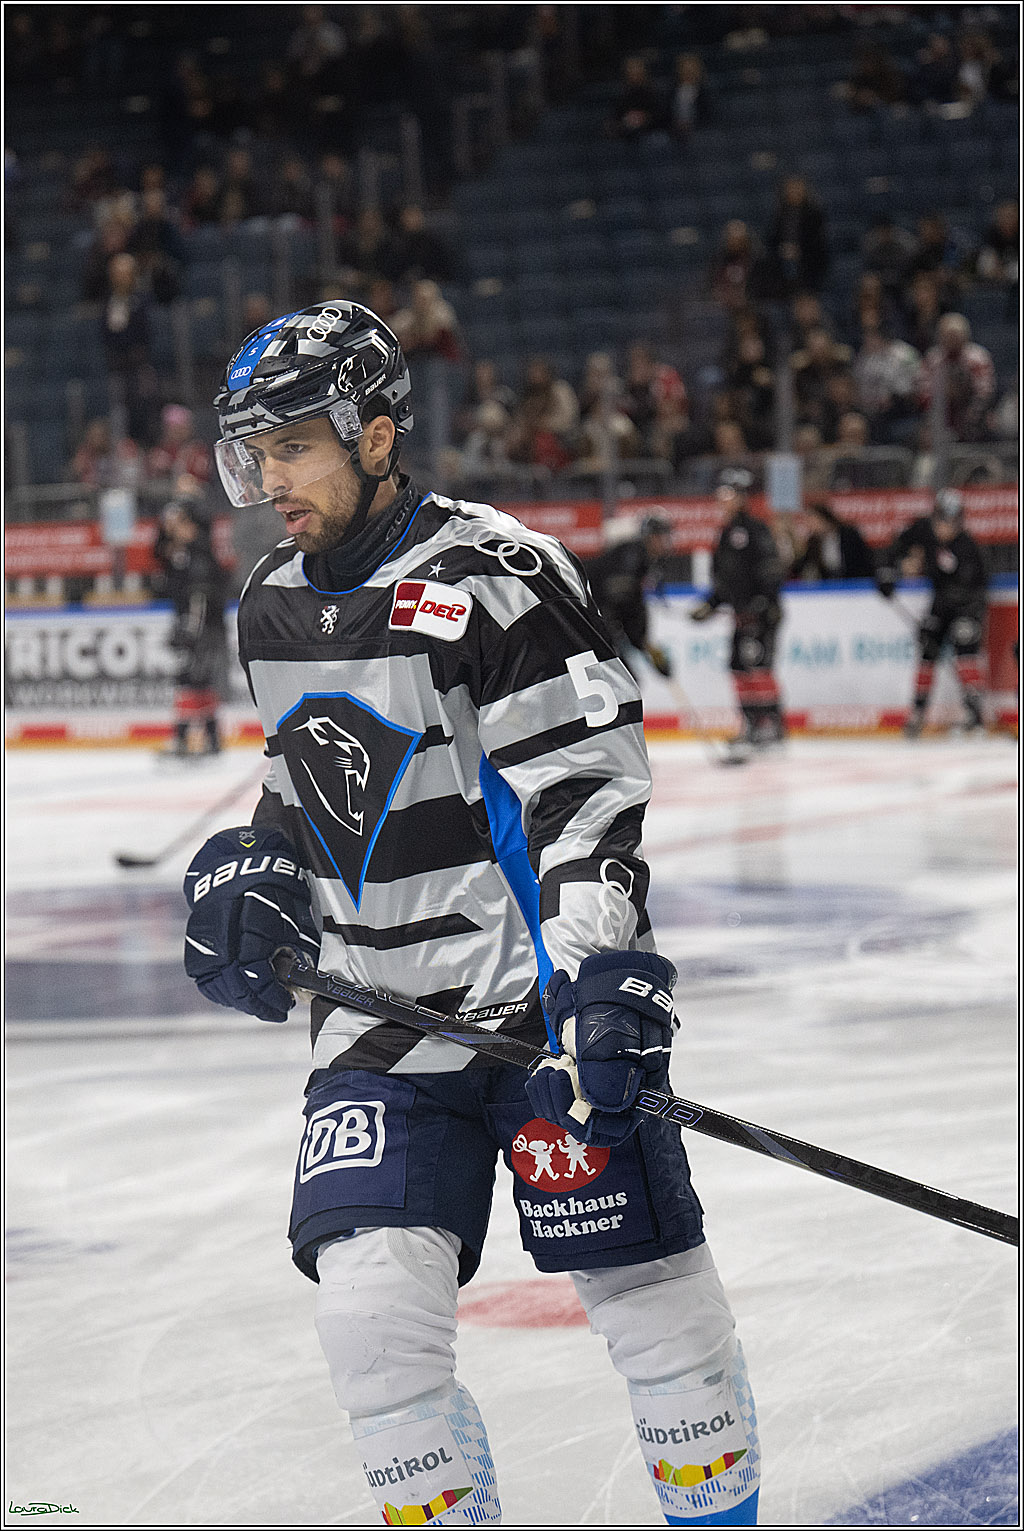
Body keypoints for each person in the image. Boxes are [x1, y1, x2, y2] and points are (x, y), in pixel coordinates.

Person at [181, 301, 761, 1526]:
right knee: (370, 1331)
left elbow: (582, 788)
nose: (268, 476)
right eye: (255, 451)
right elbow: (310, 783)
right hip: (378, 1025)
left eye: (292, 445)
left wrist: (597, 973)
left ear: (376, 431)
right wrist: (256, 874)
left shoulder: (491, 574)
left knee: (656, 1311)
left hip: (532, 1004)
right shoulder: (270, 602)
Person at [875, 489, 988, 736]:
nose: (944, 528)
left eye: (951, 522)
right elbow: (895, 547)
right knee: (927, 653)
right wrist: (886, 573)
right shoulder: (924, 530)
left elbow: (974, 587)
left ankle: (975, 713)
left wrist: (964, 615)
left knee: (965, 652)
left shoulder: (967, 547)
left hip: (966, 606)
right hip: (940, 603)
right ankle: (917, 714)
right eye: (941, 521)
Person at [690, 468, 786, 757]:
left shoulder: (756, 530)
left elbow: (770, 568)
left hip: (761, 613)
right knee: (738, 666)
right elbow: (724, 579)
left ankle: (770, 725)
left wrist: (765, 602)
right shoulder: (725, 534)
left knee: (758, 666)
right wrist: (711, 603)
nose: (723, 499)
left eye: (729, 493)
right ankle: (750, 722)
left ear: (742, 497)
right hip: (742, 614)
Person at [153, 497, 228, 757]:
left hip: (201, 627)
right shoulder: (183, 554)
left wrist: (192, 631)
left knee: (191, 680)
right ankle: (210, 737)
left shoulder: (199, 556)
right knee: (199, 682)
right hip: (198, 625)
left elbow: (200, 597)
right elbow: (159, 553)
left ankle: (187, 738)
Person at [584, 513, 676, 679]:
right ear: (651, 537)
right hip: (590, 617)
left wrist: (643, 644)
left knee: (626, 681)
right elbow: (621, 601)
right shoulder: (631, 557)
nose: (666, 541)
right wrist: (640, 642)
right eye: (663, 536)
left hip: (600, 618)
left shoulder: (644, 560)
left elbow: (631, 607)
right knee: (625, 682)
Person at [790, 502, 876, 582]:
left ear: (822, 519)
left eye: (811, 520)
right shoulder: (814, 541)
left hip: (855, 583)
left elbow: (864, 560)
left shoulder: (849, 534)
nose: (809, 525)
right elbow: (802, 565)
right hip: (830, 585)